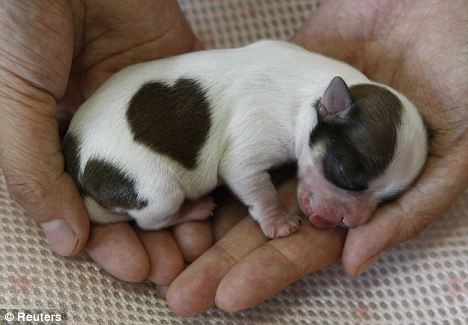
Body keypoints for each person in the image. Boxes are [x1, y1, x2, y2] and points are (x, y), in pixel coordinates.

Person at [0, 0, 466, 316]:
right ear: (328, 110)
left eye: (383, 196)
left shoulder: (300, 71)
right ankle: (158, 218)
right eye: (345, 177)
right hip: (119, 167)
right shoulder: (270, 106)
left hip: (106, 126)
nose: (357, 215)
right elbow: (237, 165)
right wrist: (269, 212)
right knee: (160, 196)